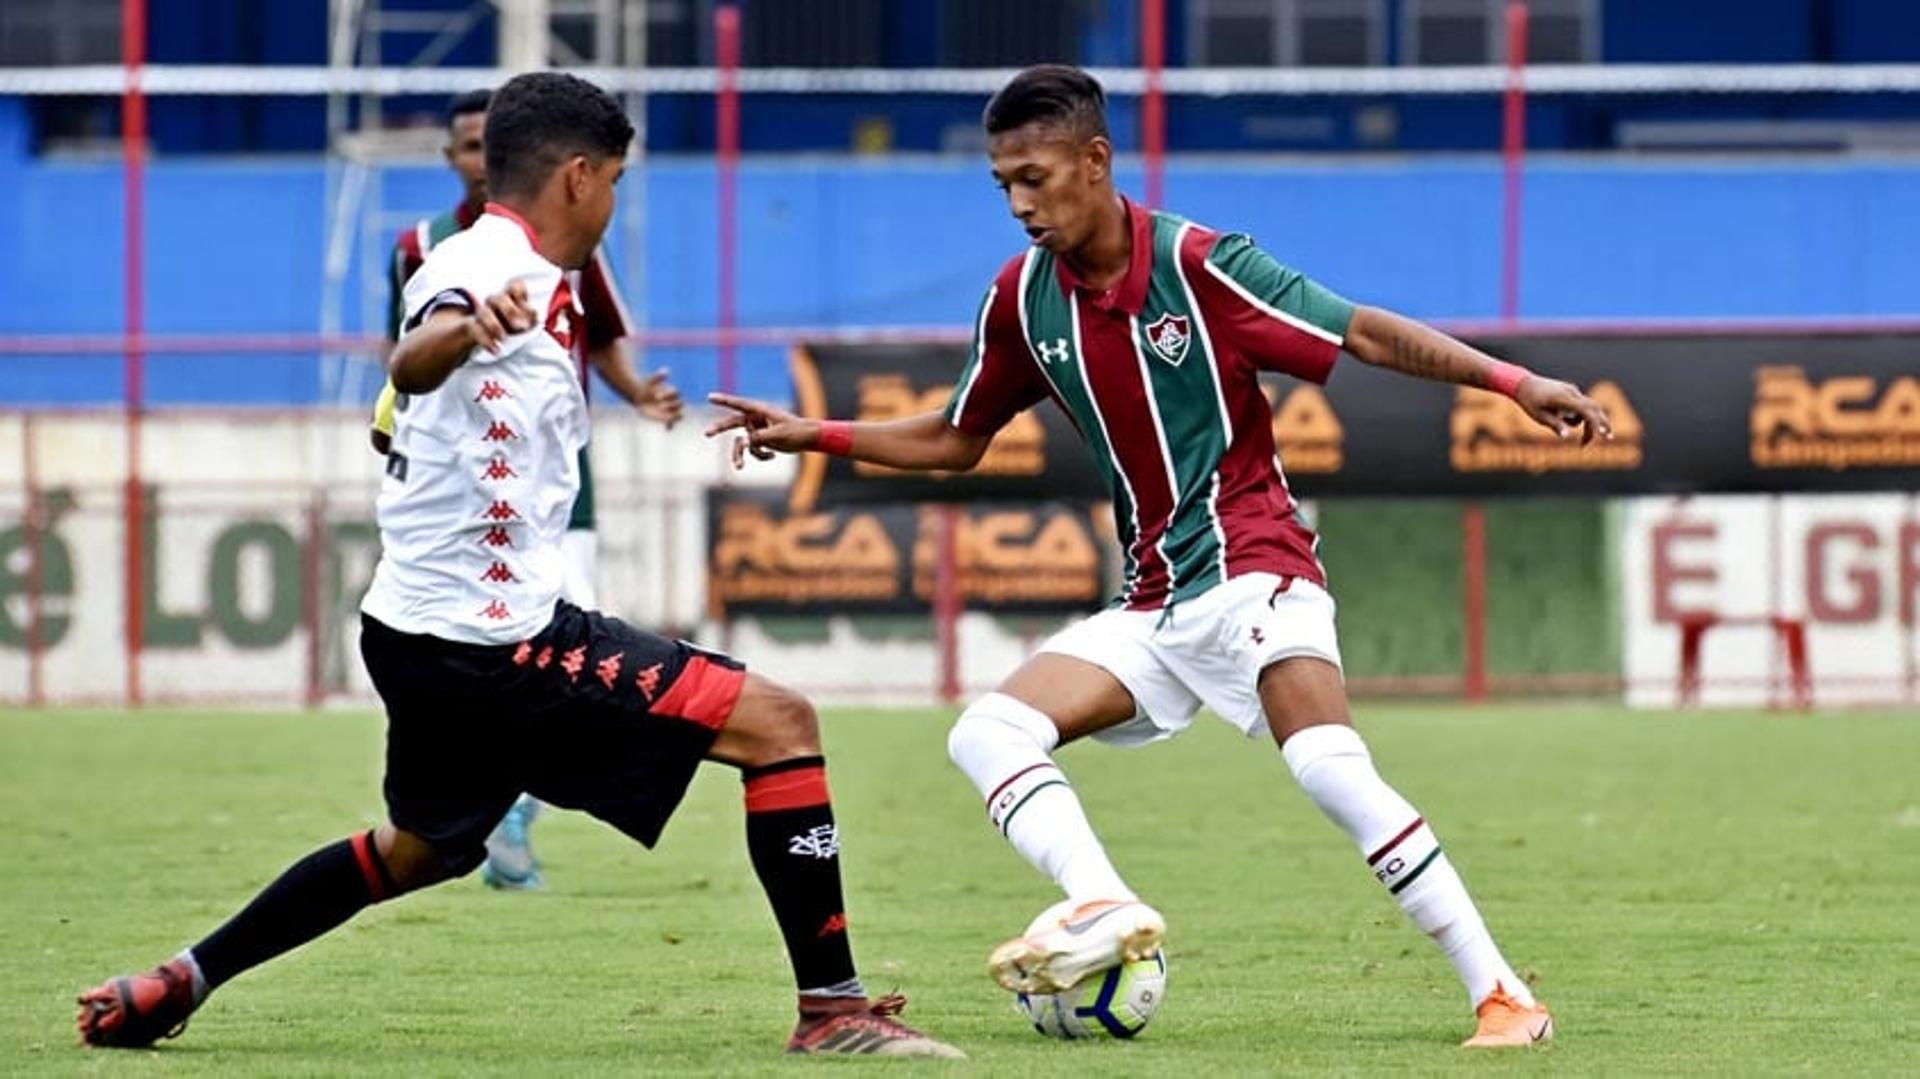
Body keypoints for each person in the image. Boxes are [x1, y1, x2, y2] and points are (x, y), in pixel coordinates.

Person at [707, 64, 1612, 1049]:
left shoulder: (1200, 263)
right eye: (1003, 182)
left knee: (1329, 766)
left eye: (1036, 176)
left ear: (1095, 162)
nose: (1019, 202)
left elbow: (1361, 331)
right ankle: (1102, 902)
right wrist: (816, 433)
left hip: (1257, 568)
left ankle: (1504, 996)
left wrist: (1514, 381)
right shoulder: (1021, 298)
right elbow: (957, 436)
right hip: (1156, 604)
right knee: (989, 730)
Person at [75, 72, 962, 1061]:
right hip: (497, 643)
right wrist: (463, 330)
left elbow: (418, 400)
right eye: (616, 180)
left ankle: (177, 979)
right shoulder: (486, 267)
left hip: (417, 631)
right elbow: (416, 353)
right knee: (780, 723)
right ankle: (834, 1009)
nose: (615, 200)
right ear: (579, 176)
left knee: (424, 849)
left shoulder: (542, 273)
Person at [370, 87, 684, 890]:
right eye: (467, 146)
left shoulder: (565, 260)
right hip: (473, 535)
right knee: (761, 720)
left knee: (428, 839)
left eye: (487, 142)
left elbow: (603, 340)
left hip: (549, 499)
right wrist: (451, 346)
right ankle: (508, 808)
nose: (478, 159)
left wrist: (637, 393)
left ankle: (496, 809)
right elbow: (409, 352)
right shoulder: (443, 251)